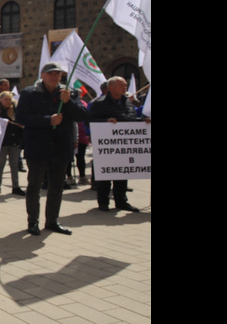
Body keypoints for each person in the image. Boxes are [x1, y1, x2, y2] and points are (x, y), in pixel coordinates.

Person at [17, 62, 89, 235]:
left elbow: (81, 115)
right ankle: (33, 221)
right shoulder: (29, 93)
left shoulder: (70, 93)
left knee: (56, 187)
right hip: (38, 146)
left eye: (58, 74)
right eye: (51, 74)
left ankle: (52, 221)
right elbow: (21, 117)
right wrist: (47, 120)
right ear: (42, 75)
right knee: (34, 186)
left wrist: (68, 102)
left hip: (61, 146)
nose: (54, 77)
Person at [88, 76, 148, 212]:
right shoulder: (100, 103)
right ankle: (103, 202)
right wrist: (106, 122)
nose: (125, 87)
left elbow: (130, 120)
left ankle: (121, 201)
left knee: (122, 174)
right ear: (111, 87)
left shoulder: (127, 102)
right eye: (122, 85)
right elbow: (90, 121)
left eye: (126, 85)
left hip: (123, 146)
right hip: (107, 146)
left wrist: (143, 122)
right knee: (105, 176)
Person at [0, 91, 25, 196]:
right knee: (0, 165)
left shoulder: (15, 110)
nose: (8, 102)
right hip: (2, 143)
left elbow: (20, 122)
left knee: (14, 165)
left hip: (14, 141)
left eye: (10, 99)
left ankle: (15, 186)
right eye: (6, 99)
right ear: (0, 100)